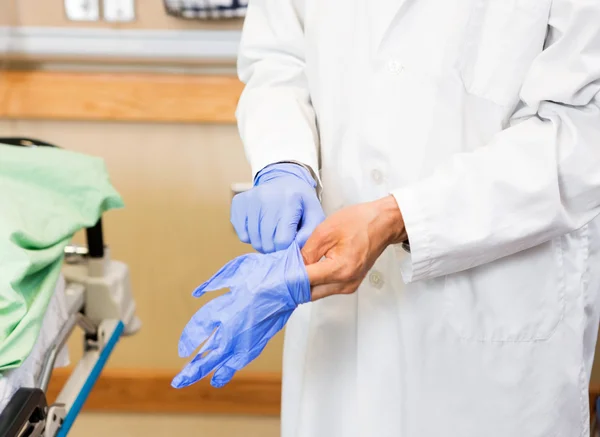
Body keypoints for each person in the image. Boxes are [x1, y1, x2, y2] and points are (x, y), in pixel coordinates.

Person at [231, 0, 600, 435]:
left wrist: (399, 216)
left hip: (493, 331)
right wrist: (283, 163)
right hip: (341, 329)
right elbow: (276, 59)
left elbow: (580, 135)